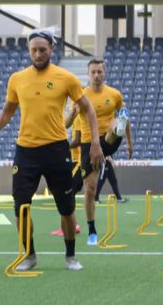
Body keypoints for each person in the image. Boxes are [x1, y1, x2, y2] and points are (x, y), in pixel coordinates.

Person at [0, 31, 104, 271]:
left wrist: (96, 143)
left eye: (42, 49)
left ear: (52, 49)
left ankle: (71, 256)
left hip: (56, 150)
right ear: (29, 51)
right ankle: (29, 256)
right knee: (21, 207)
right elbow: (8, 110)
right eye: (33, 50)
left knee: (66, 207)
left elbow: (88, 110)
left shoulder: (66, 78)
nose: (38, 54)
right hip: (26, 152)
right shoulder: (17, 79)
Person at [64, 58, 132, 246]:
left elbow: (128, 123)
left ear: (105, 73)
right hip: (88, 145)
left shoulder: (114, 94)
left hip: (109, 141)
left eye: (99, 72)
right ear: (88, 75)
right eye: (93, 72)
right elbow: (67, 125)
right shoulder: (80, 96)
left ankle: (117, 128)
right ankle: (91, 230)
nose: (96, 75)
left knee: (116, 124)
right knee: (90, 190)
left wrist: (129, 143)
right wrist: (74, 112)